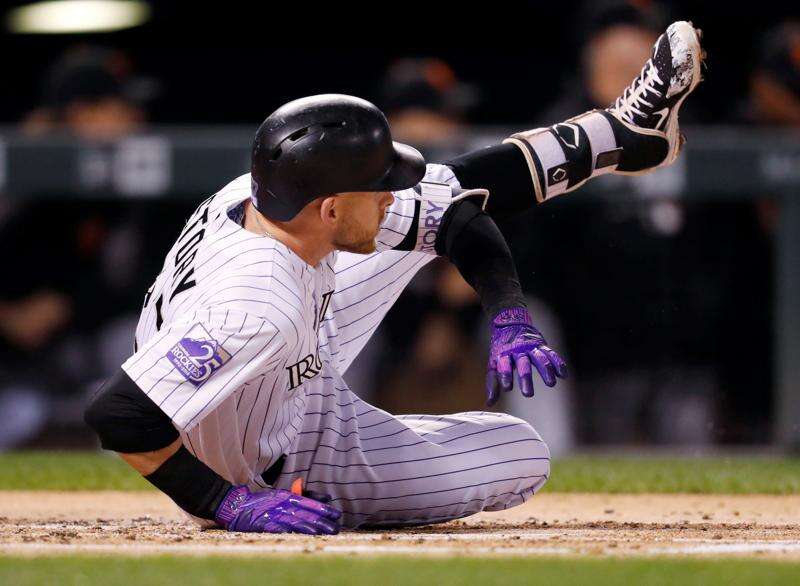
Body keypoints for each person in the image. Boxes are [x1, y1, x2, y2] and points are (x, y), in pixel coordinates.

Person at [85, 22, 704, 533]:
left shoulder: (269, 199)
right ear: (329, 206)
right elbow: (120, 416)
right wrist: (223, 501)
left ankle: (623, 136)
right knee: (522, 450)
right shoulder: (258, 301)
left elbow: (456, 215)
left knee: (443, 193)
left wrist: (508, 311)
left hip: (283, 366)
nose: (390, 197)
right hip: (264, 455)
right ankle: (364, 472)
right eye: (376, 189)